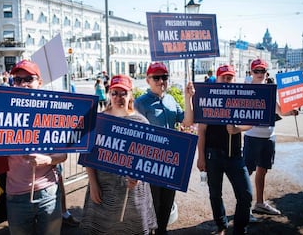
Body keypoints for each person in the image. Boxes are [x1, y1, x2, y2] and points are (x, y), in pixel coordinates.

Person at [80, 74, 157, 234]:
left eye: (123, 93)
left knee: (131, 229)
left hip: (133, 190)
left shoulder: (141, 122)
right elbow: (88, 155)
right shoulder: (98, 120)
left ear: (130, 96)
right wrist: (93, 183)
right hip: (102, 187)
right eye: (114, 93)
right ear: (109, 94)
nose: (118, 97)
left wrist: (138, 176)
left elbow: (148, 158)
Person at [6, 59, 67, 235]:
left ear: (39, 82)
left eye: (29, 79)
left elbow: (63, 155)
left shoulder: (52, 113)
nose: (23, 84)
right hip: (15, 195)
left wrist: (46, 159)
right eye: (18, 80)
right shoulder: (1, 113)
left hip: (47, 192)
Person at [134, 62, 195, 235]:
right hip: (151, 162)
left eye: (164, 77)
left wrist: (188, 97)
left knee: (167, 204)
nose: (161, 81)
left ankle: (162, 231)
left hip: (171, 162)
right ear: (148, 80)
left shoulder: (170, 100)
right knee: (153, 204)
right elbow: (137, 134)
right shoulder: (141, 103)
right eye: (157, 77)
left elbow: (188, 121)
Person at [196, 64, 253, 235]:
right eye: (224, 77)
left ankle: (240, 229)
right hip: (212, 154)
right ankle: (221, 225)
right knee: (215, 194)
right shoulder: (208, 97)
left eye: (230, 77)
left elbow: (250, 122)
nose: (227, 80)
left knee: (246, 195)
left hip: (235, 155)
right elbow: (202, 130)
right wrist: (201, 157)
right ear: (217, 78)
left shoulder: (241, 98)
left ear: (234, 79)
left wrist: (237, 129)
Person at [244, 59, 298, 216]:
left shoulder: (270, 90)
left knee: (263, 171)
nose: (260, 74)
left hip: (269, 137)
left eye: (262, 71)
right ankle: (244, 208)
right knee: (247, 172)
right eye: (256, 71)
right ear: (251, 72)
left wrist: (291, 111)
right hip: (252, 136)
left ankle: (259, 203)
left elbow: (280, 111)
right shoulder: (245, 90)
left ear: (266, 73)